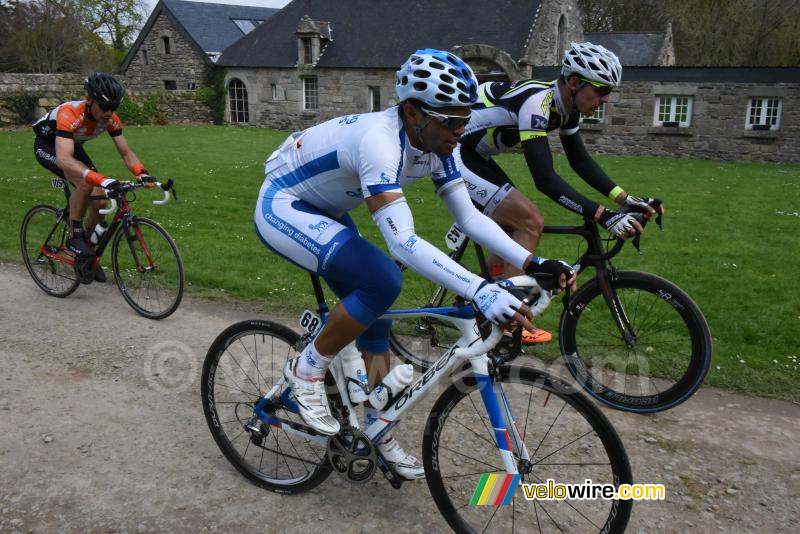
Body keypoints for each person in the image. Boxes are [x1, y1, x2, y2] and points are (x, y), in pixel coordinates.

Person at [254, 49, 575, 480]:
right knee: (381, 278)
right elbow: (403, 243)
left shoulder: (438, 142)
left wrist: (532, 260)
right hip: (285, 203)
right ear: (412, 112)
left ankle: (377, 430)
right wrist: (480, 289)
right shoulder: (379, 142)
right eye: (451, 122)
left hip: (325, 208)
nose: (461, 132)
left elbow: (470, 217)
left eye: (465, 120)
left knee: (377, 315)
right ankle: (306, 369)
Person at [456, 42, 664, 343]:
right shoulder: (538, 102)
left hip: (477, 155)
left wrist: (624, 198)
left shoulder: (568, 109)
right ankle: (507, 321)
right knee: (529, 221)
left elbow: (580, 161)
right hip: (456, 151)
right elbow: (545, 179)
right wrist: (604, 216)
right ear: (576, 83)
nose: (606, 100)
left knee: (510, 226)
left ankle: (476, 302)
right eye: (602, 90)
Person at [33, 72, 156, 282]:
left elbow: (125, 152)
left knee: (99, 198)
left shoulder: (110, 119)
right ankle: (74, 236)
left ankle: (86, 258)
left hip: (73, 145)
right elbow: (64, 159)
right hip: (49, 146)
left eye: (114, 108)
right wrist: (99, 178)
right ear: (90, 101)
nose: (109, 113)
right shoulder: (70, 113)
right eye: (105, 107)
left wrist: (141, 173)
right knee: (85, 182)